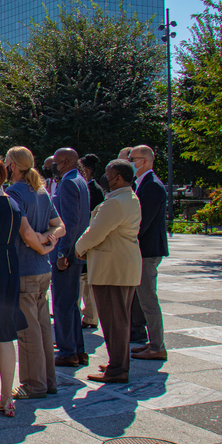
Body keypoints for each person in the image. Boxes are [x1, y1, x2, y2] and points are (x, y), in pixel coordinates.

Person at [0, 157, 55, 417]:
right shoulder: (12, 202)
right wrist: (47, 247)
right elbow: (28, 234)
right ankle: (6, 398)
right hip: (9, 269)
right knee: (5, 336)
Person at [5, 147, 65, 400]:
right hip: (43, 269)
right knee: (43, 328)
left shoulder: (14, 193)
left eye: (7, 162)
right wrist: (48, 241)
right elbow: (60, 226)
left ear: (13, 166)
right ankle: (48, 381)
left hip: (25, 269)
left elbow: (25, 234)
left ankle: (34, 384)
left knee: (28, 331)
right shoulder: (41, 192)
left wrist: (40, 243)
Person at [75, 159, 142, 383]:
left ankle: (117, 369)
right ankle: (118, 362)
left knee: (114, 320)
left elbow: (96, 232)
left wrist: (78, 248)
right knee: (118, 319)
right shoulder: (127, 198)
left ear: (119, 178)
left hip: (113, 267)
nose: (106, 176)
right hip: (121, 265)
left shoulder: (116, 202)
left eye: (109, 173)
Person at [51, 148, 91, 367]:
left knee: (63, 305)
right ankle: (78, 349)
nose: (54, 167)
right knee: (71, 303)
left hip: (67, 254)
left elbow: (70, 223)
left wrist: (61, 253)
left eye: (56, 163)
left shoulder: (68, 183)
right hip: (75, 252)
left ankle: (68, 351)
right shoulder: (80, 181)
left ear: (65, 162)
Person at [129, 145, 169, 362]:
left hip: (148, 250)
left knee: (148, 298)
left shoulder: (152, 186)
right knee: (144, 298)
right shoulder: (144, 183)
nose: (129, 161)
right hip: (144, 249)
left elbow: (143, 221)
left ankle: (157, 346)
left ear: (143, 161)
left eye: (132, 158)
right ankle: (152, 343)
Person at [78, 154, 104, 330]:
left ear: (86, 170)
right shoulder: (93, 188)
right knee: (87, 280)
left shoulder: (93, 190)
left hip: (86, 238)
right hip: (87, 238)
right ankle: (90, 316)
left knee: (84, 280)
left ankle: (89, 316)